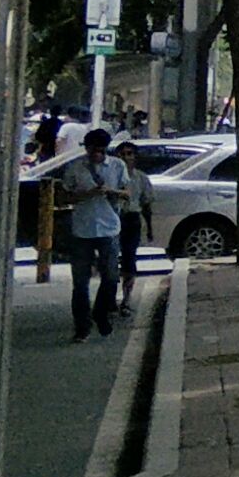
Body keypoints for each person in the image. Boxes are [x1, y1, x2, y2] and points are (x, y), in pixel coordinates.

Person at [59, 130, 137, 341]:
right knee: (80, 282)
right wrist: (88, 194)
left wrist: (112, 192)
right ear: (87, 148)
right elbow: (64, 196)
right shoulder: (76, 168)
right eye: (93, 150)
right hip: (82, 230)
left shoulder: (117, 166)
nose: (96, 154)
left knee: (111, 276)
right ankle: (81, 326)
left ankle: (101, 313)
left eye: (101, 150)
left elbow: (127, 193)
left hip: (109, 227)